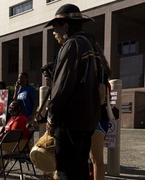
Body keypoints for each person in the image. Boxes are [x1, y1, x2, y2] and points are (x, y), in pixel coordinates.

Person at [45, 4, 104, 179]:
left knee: (66, 170)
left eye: (55, 27)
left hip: (70, 121)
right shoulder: (92, 46)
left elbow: (62, 88)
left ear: (66, 26)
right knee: (80, 169)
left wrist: (51, 117)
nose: (53, 32)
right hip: (88, 121)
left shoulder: (72, 45)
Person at [0, 100, 30, 174]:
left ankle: (0, 169)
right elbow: (6, 131)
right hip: (11, 141)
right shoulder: (12, 118)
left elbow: (13, 135)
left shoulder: (20, 119)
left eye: (12, 107)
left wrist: (0, 139)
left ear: (19, 108)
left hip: (19, 143)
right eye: (9, 107)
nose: (10, 109)